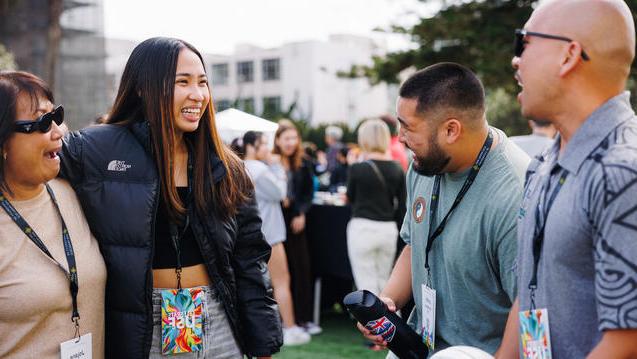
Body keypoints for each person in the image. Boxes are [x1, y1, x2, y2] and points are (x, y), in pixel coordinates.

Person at [59, 37, 282, 358]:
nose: (197, 94)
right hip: (141, 320)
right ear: (142, 87)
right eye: (182, 82)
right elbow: (32, 163)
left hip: (217, 316)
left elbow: (249, 259)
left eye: (203, 83)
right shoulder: (95, 149)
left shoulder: (227, 166)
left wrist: (263, 342)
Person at [357, 63, 530, 356]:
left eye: (408, 127)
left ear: (451, 130)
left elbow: (528, 303)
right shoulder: (424, 164)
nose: (399, 137)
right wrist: (388, 300)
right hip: (419, 345)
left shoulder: (514, 193)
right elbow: (416, 243)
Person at [497, 1, 637, 358]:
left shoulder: (623, 173)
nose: (516, 60)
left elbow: (627, 341)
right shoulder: (542, 163)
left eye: (523, 43)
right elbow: (528, 294)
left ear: (569, 55)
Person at [0, 71, 106, 358]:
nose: (58, 130)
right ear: (4, 143)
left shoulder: (73, 192)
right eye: (43, 121)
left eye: (56, 115)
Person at [239, 131, 311, 346]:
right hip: (270, 233)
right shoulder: (260, 169)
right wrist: (277, 167)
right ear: (252, 146)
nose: (268, 150)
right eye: (263, 145)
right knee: (282, 281)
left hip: (252, 233)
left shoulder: (240, 166)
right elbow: (281, 192)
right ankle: (289, 328)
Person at [346, 119, 405, 296]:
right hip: (388, 229)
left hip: (362, 228)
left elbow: (351, 197)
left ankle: (371, 323)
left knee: (366, 286)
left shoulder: (357, 168)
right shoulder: (398, 168)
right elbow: (402, 206)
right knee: (387, 286)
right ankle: (393, 323)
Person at [273, 120, 321, 335]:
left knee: (302, 268)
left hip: (296, 222)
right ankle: (283, 319)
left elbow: (308, 193)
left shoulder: (304, 162)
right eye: (287, 138)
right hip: (275, 221)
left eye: (294, 138)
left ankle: (304, 319)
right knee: (281, 273)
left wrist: (301, 212)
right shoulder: (270, 163)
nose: (291, 143)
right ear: (277, 140)